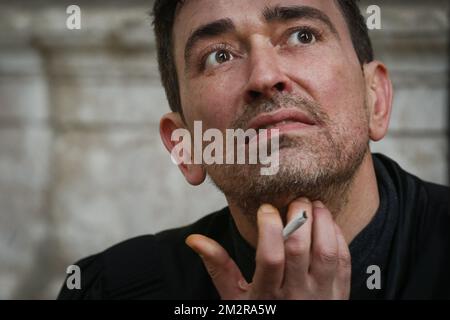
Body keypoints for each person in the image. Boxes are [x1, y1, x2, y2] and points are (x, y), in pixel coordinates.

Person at [57, 0, 449, 299]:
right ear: (185, 146)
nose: (265, 76)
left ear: (374, 99)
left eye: (302, 35)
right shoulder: (111, 289)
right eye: (219, 56)